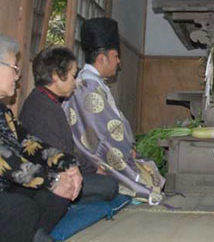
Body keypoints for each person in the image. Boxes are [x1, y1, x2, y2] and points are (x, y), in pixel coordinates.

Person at [0, 33, 82, 242]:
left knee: (55, 196)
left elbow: (30, 143)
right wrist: (52, 179)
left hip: (2, 192)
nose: (17, 76)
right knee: (20, 207)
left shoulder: (1, 111)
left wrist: (68, 165)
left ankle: (30, 235)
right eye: (14, 68)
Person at [63, 18, 164, 205]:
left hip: (104, 153)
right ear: (103, 58)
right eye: (116, 57)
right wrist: (128, 148)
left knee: (150, 172)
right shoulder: (88, 87)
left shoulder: (93, 82)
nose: (118, 62)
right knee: (146, 183)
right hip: (94, 160)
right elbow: (105, 134)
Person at [20, 47, 118, 203]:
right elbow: (57, 155)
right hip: (48, 179)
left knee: (106, 179)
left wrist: (92, 166)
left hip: (61, 168)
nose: (75, 81)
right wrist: (93, 169)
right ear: (56, 76)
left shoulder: (46, 101)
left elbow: (67, 150)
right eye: (73, 75)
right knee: (109, 186)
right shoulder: (42, 108)